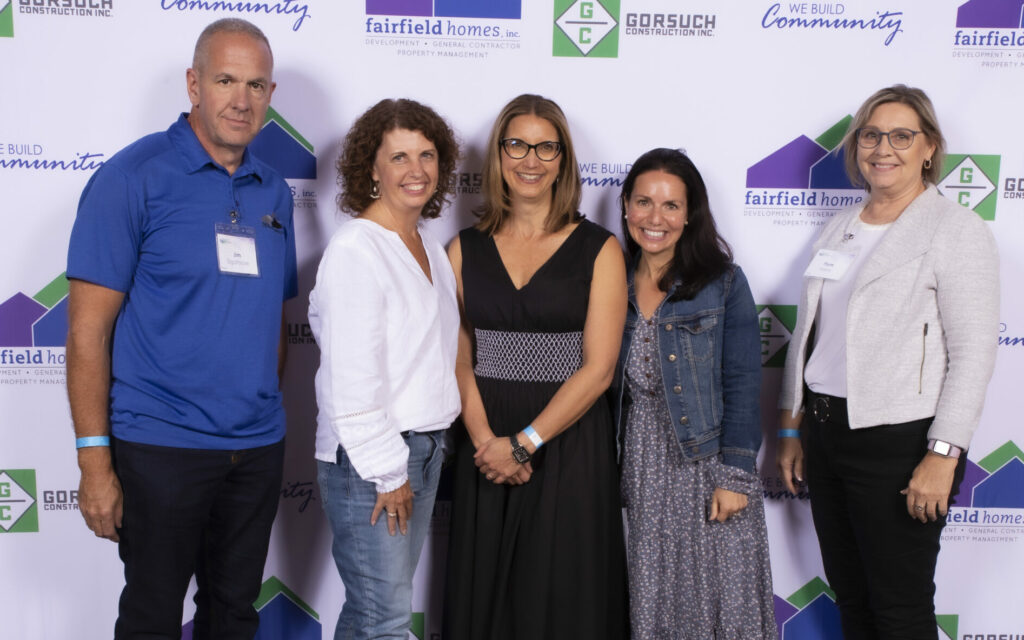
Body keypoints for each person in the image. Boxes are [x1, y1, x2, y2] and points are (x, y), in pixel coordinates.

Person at [65, 19, 296, 639]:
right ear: (193, 84)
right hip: (161, 447)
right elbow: (87, 333)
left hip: (256, 450)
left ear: (270, 93)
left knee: (233, 615)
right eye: (225, 80)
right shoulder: (130, 179)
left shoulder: (274, 191)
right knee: (152, 617)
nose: (241, 100)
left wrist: (260, 405)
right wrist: (94, 463)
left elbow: (273, 318)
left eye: (255, 84)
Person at [776, 85, 999, 639]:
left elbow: (973, 354)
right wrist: (791, 426)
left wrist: (943, 454)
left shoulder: (955, 230)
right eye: (871, 135)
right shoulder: (841, 226)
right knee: (853, 600)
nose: (883, 148)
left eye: (902, 136)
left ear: (929, 148)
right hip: (827, 435)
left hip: (900, 443)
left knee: (900, 612)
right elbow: (812, 337)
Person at [444, 94, 628, 639]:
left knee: (565, 597)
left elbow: (598, 370)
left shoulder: (601, 249)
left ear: (564, 159)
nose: (531, 160)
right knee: (488, 601)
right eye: (517, 145)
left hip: (567, 440)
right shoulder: (461, 249)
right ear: (499, 155)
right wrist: (488, 446)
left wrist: (524, 443)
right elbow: (458, 360)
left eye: (547, 147)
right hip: (486, 445)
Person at [308, 98, 461, 640]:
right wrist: (388, 471)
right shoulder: (357, 250)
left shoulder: (428, 246)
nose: (415, 170)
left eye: (426, 155)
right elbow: (352, 380)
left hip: (423, 448)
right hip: (372, 461)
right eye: (398, 157)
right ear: (371, 169)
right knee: (388, 622)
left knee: (374, 613)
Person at [613, 148, 777, 640]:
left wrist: (736, 475)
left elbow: (745, 381)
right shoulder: (608, 279)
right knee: (650, 594)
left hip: (705, 459)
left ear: (690, 215)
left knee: (721, 598)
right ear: (625, 207)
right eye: (643, 202)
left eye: (670, 206)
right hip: (636, 461)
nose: (654, 218)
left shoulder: (722, 282)